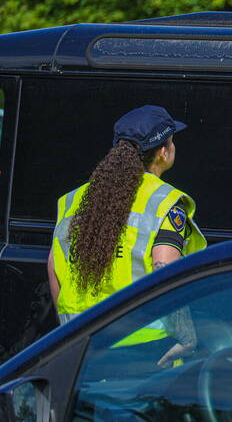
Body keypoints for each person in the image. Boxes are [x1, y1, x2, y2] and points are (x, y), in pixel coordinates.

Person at [48, 105, 206, 370]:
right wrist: (188, 338)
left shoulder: (74, 200)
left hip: (81, 343)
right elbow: (165, 267)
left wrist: (68, 331)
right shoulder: (164, 201)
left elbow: (54, 267)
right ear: (163, 152)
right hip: (144, 348)